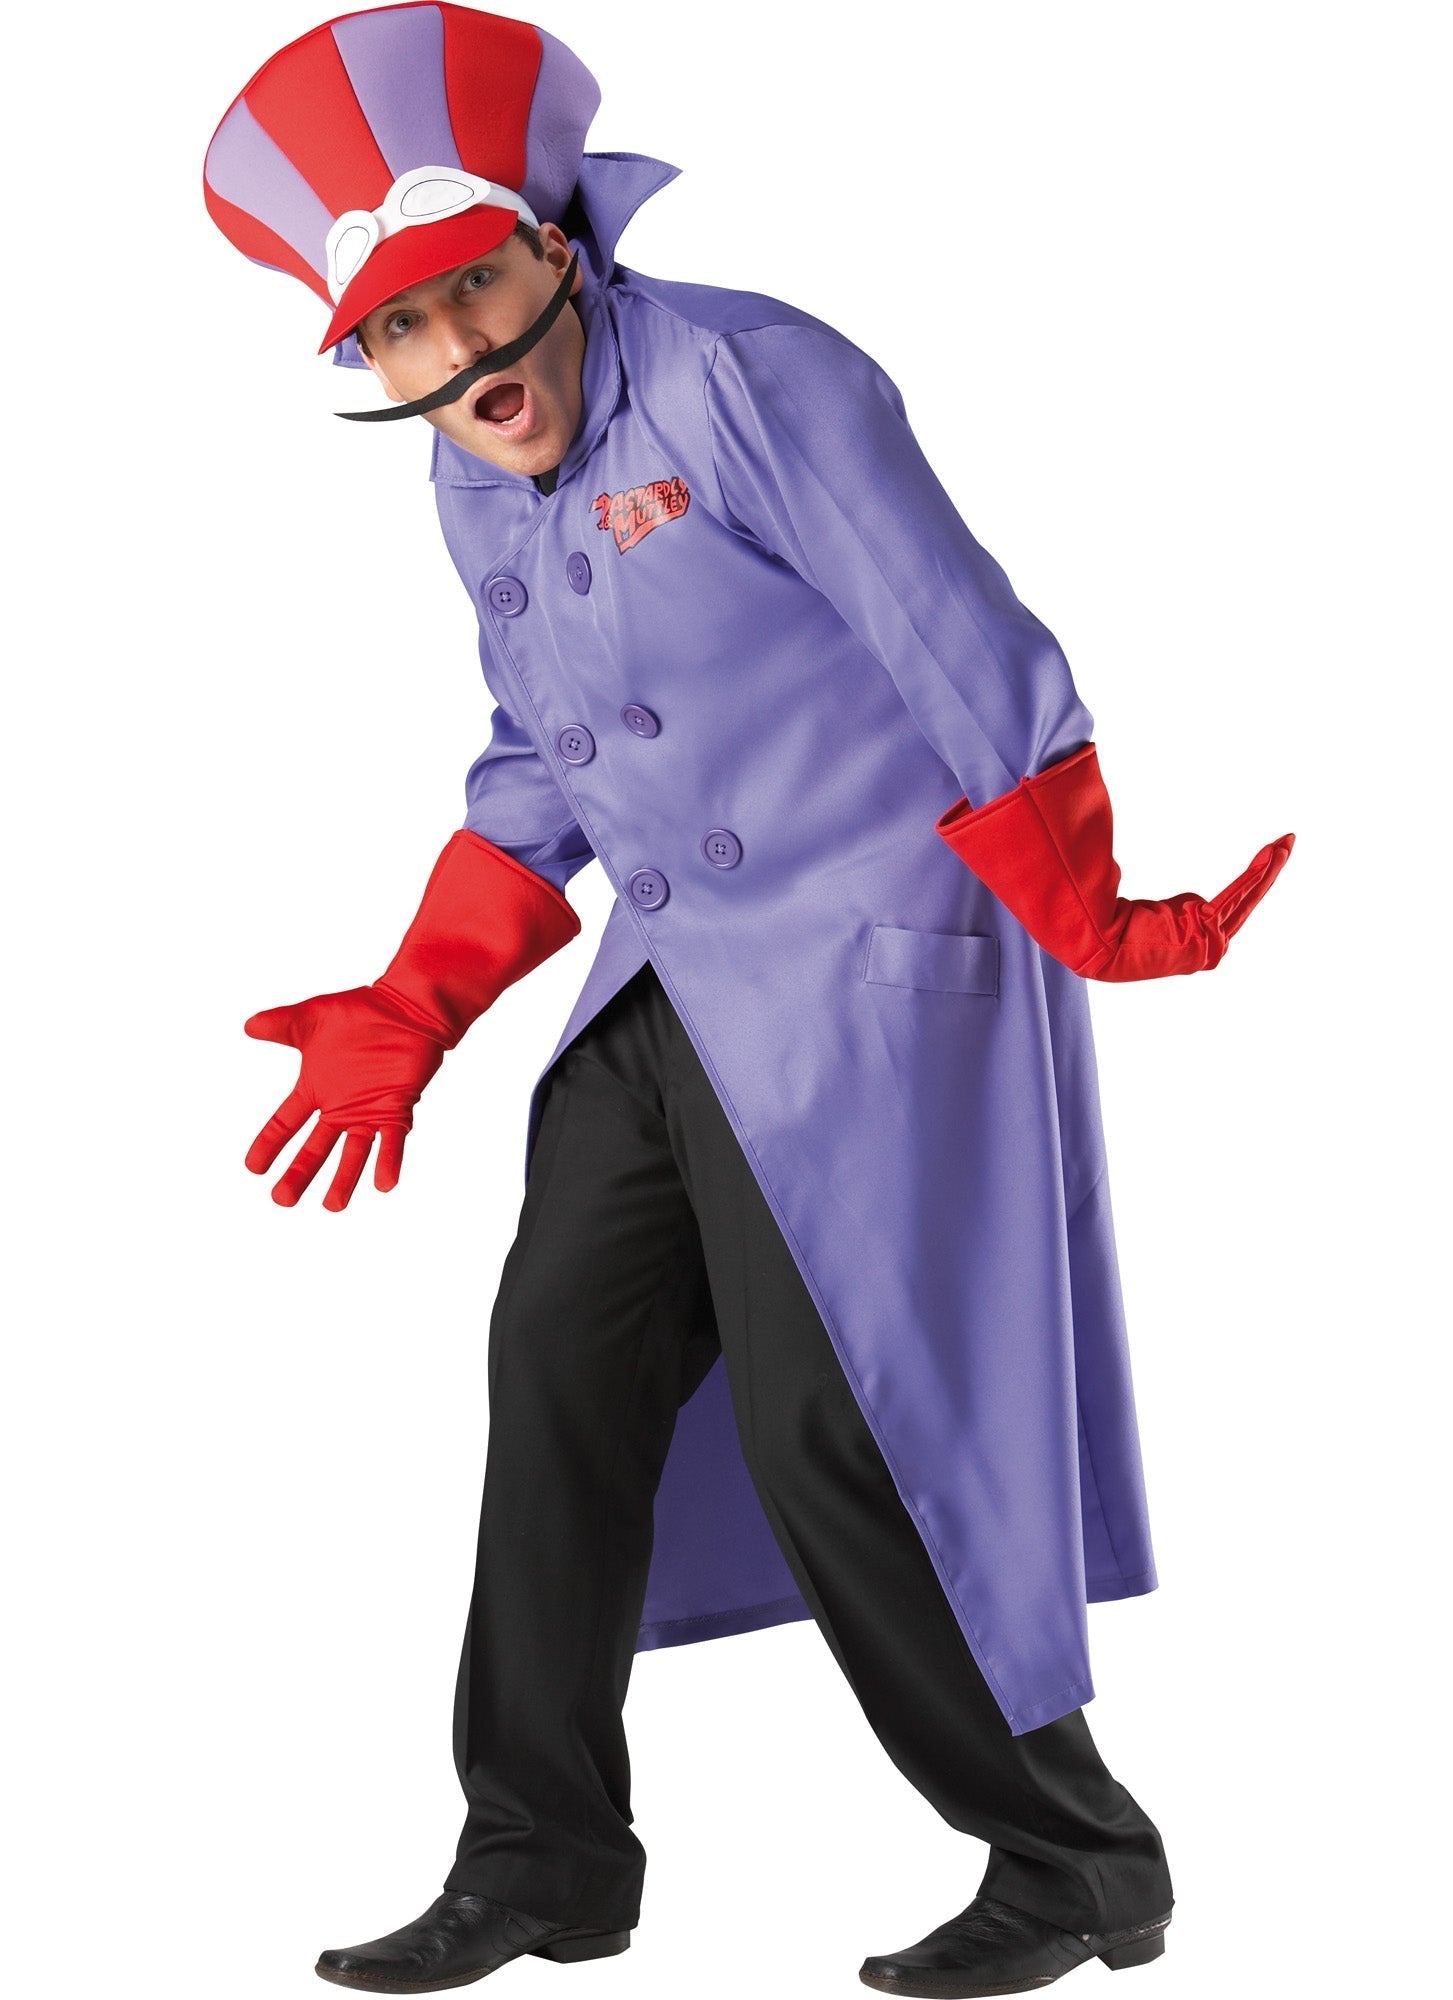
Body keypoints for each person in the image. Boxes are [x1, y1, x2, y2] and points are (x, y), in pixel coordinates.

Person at [204, 7, 1294, 1993]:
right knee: (556, 1370)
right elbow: (542, 761)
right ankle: (541, 1856)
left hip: (869, 964)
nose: (458, 356)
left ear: (555, 245)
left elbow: (962, 641)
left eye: (473, 291)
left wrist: (1081, 891)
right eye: (402, 335)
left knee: (840, 1425)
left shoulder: (749, 375)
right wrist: (418, 995)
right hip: (670, 977)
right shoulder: (473, 483)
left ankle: (1079, 1859)